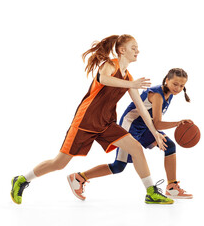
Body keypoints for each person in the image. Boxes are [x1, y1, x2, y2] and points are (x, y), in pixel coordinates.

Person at [10, 34, 174, 205]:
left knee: (136, 148)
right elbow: (103, 79)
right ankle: (22, 179)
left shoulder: (129, 78)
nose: (137, 51)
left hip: (106, 123)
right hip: (86, 121)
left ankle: (151, 192)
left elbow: (141, 107)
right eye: (134, 48)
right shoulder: (110, 65)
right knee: (59, 163)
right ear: (122, 50)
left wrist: (155, 133)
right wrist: (131, 85)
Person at [68, 68, 193, 200]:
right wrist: (178, 123)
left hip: (145, 127)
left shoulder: (170, 94)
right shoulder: (157, 95)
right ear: (167, 80)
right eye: (175, 84)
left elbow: (153, 123)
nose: (178, 88)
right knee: (118, 166)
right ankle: (79, 178)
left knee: (170, 146)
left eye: (182, 86)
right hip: (130, 127)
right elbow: (157, 124)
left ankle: (172, 188)